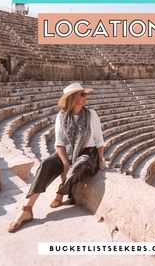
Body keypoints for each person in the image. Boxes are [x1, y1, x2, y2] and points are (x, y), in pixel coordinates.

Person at [7, 82, 106, 232]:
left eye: (85, 94)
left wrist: (101, 158)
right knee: (47, 163)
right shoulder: (62, 116)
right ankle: (26, 209)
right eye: (82, 94)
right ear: (72, 98)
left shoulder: (92, 114)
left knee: (81, 164)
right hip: (67, 151)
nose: (86, 97)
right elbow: (59, 143)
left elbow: (99, 140)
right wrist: (65, 164)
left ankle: (60, 192)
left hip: (88, 153)